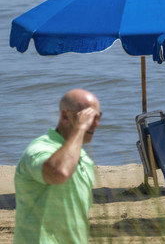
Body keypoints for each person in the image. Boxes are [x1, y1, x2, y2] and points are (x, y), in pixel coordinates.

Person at [14, 88, 101, 244]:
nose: (95, 124)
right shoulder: (40, 148)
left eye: (98, 117)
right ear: (64, 116)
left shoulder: (84, 159)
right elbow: (59, 172)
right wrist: (80, 128)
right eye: (88, 117)